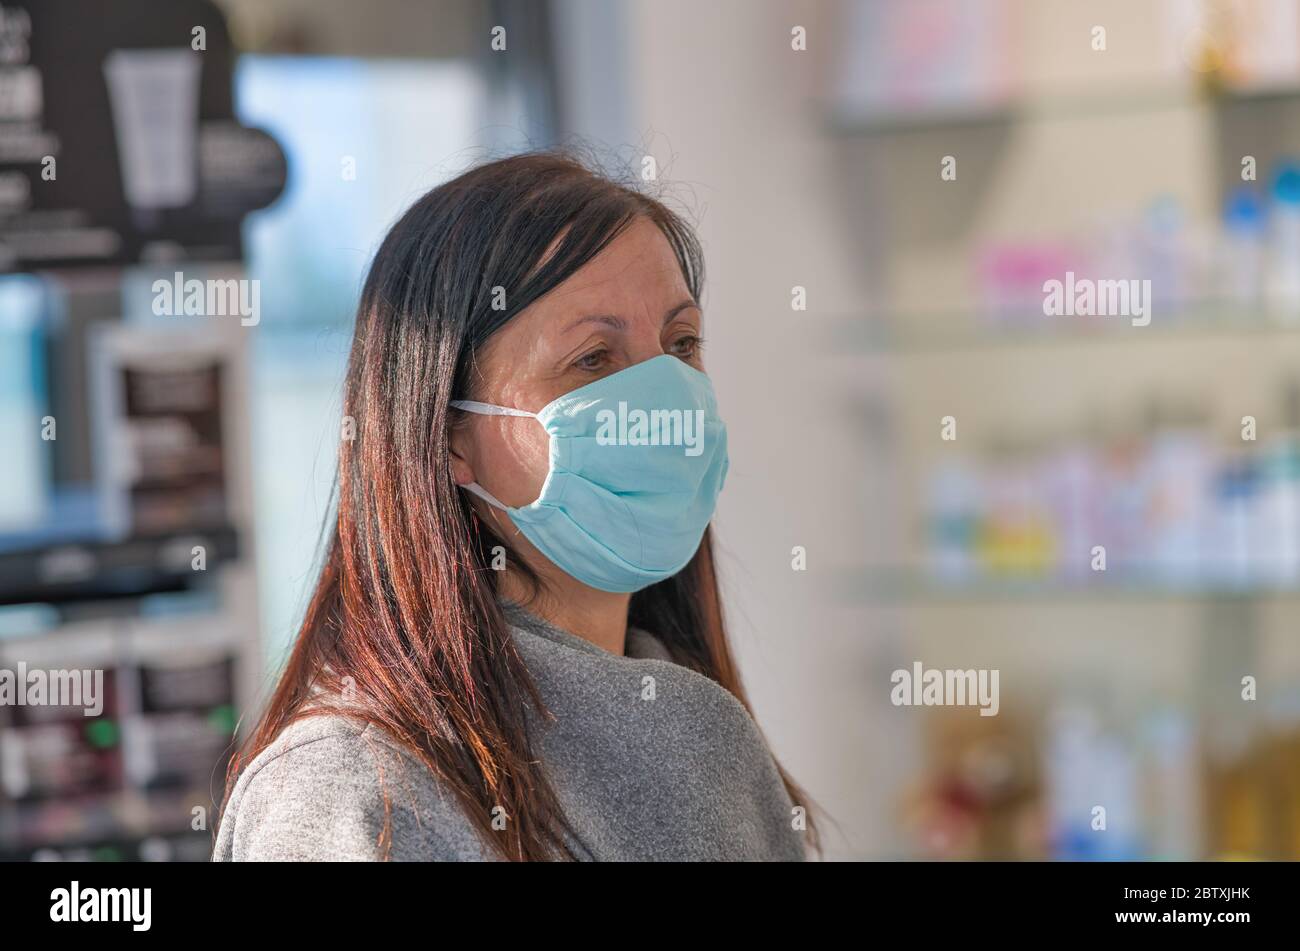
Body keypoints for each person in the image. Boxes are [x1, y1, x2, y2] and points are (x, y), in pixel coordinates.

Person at [213, 152, 817, 861]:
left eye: (681, 344)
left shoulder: (710, 740)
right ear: (448, 437)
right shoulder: (350, 789)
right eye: (593, 358)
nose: (665, 403)